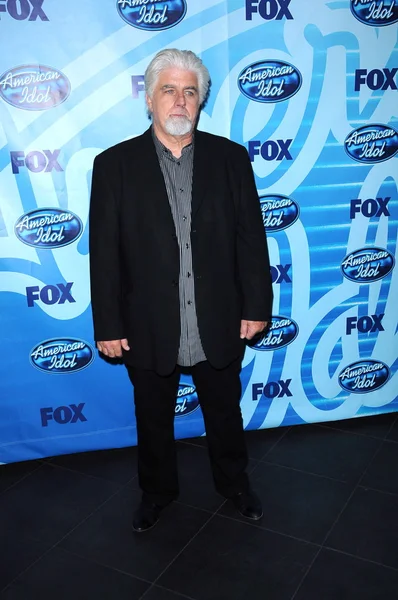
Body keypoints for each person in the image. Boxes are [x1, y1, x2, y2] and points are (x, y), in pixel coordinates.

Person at [89, 49, 273, 533]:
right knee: (151, 418)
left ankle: (235, 484)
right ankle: (156, 493)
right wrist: (107, 323)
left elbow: (251, 239)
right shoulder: (113, 165)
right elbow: (104, 253)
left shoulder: (231, 159)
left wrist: (256, 305)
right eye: (168, 90)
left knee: (224, 412)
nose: (179, 100)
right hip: (147, 321)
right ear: (149, 99)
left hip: (218, 316)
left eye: (190, 91)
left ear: (200, 102)